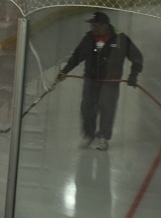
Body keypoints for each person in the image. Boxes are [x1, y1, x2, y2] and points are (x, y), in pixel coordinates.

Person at [55, 11, 143, 150]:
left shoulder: (120, 39)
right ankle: (89, 135)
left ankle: (103, 137)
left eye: (97, 25)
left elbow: (137, 57)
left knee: (107, 108)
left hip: (110, 82)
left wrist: (133, 75)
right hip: (91, 81)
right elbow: (76, 57)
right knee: (87, 108)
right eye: (92, 25)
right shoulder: (88, 38)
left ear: (105, 25)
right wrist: (64, 71)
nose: (94, 28)